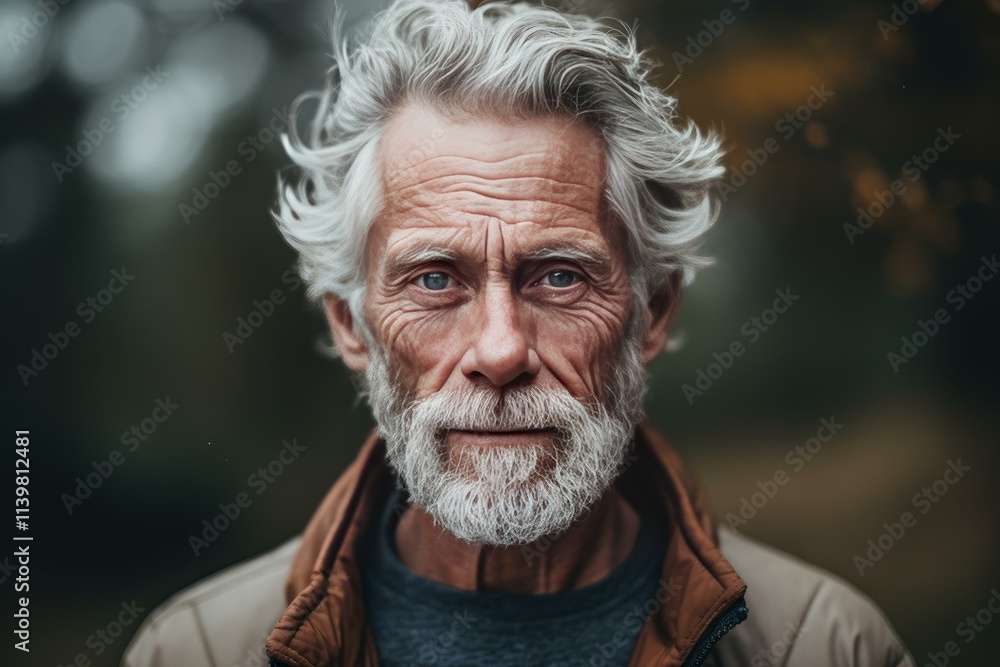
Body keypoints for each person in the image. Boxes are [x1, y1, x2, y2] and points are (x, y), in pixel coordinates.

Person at [124, 1, 916, 665]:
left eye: (560, 276)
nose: (500, 351)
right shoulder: (193, 649)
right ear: (351, 324)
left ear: (654, 312)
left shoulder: (828, 644)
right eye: (435, 279)